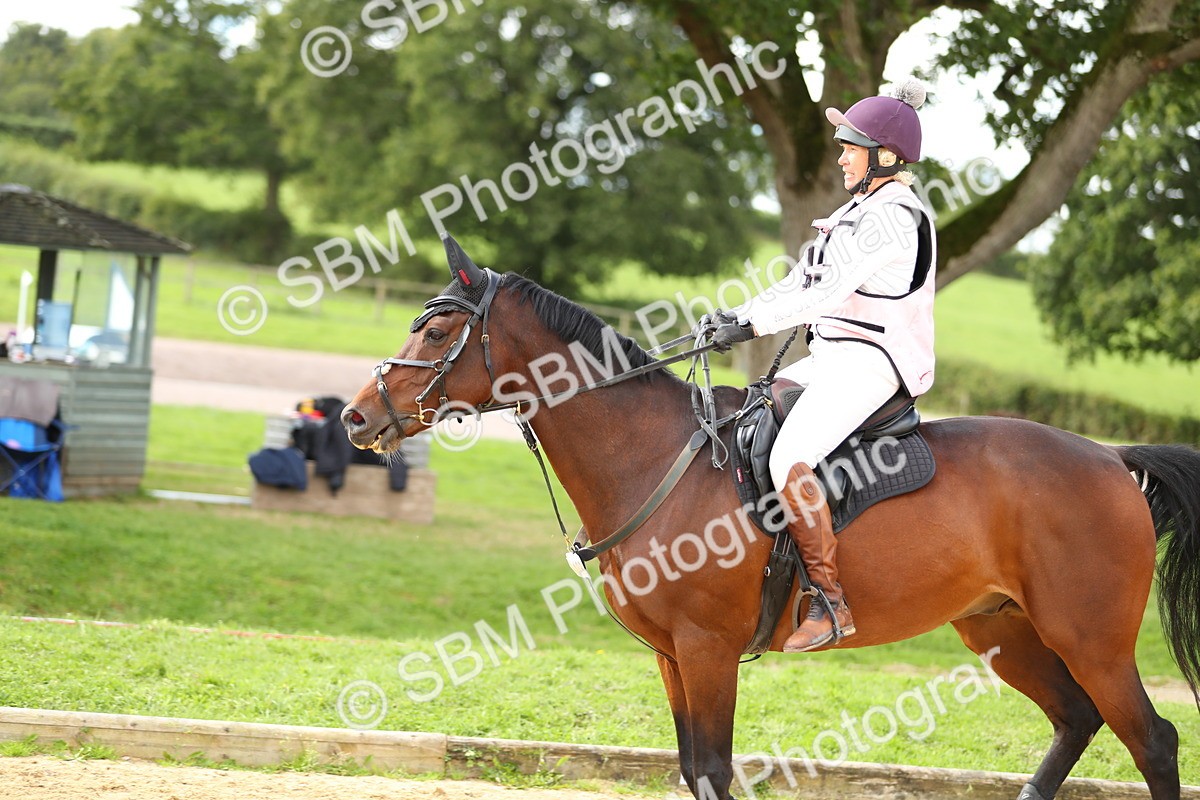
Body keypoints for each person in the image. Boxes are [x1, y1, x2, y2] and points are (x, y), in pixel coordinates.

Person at [709, 79, 937, 652]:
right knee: (748, 414)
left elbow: (826, 295)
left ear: (884, 157)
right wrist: (738, 313)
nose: (840, 156)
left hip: (873, 361)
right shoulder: (859, 209)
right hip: (831, 356)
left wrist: (753, 327)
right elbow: (798, 282)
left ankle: (829, 601)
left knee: (791, 453)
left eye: (849, 147)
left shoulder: (894, 217)